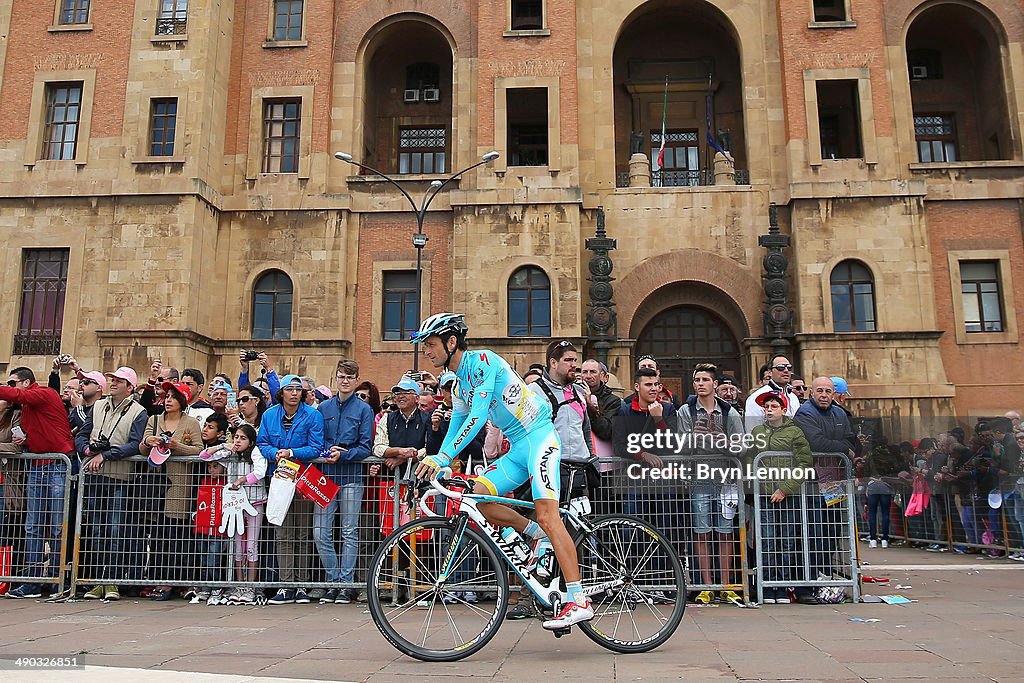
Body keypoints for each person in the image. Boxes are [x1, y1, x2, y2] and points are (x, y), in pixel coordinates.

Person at [413, 313, 594, 629]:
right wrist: (439, 457)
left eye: (430, 344)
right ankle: (535, 534)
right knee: (478, 499)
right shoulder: (457, 384)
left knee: (549, 516)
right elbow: (458, 421)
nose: (427, 352)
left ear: (451, 342)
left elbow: (479, 415)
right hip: (516, 449)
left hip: (539, 439)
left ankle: (578, 600)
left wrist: (442, 458)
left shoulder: (482, 361)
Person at [0, 366, 76, 599]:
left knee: (56, 527)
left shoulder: (44, 394)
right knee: (33, 527)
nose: (10, 388)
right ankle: (33, 582)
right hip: (38, 466)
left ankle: (56, 581)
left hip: (57, 465)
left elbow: (17, 396)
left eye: (12, 383)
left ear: (25, 382)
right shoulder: (27, 406)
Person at [77, 366, 149, 601]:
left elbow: (135, 444)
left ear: (130, 387)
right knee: (98, 531)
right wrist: (88, 449)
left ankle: (113, 581)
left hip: (120, 477)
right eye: (112, 379)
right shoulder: (98, 406)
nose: (114, 383)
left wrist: (106, 455)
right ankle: (99, 580)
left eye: (120, 380)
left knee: (116, 530)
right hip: (96, 476)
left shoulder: (139, 412)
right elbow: (80, 434)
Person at [677, 363, 743, 603]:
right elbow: (679, 445)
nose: (700, 384)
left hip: (725, 478)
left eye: (705, 380)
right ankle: (706, 585)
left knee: (725, 533)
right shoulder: (686, 411)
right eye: (697, 380)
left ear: (715, 384)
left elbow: (742, 445)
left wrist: (723, 440)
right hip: (699, 477)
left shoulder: (729, 413)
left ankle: (725, 584)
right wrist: (694, 438)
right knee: (701, 532)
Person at [258, 374, 325, 606]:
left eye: (298, 389)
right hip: (279, 479)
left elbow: (316, 447)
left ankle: (302, 585)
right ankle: (286, 585)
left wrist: (292, 452)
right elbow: (262, 442)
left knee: (303, 533)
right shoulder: (269, 415)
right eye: (290, 389)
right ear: (282, 393)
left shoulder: (313, 415)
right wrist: (273, 453)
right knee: (282, 531)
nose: (294, 393)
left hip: (304, 479)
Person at [316, 360, 374, 604]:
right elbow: (316, 438)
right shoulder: (323, 408)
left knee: (349, 531)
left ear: (356, 378)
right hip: (325, 475)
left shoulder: (364, 410)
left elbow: (366, 446)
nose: (345, 381)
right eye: (341, 376)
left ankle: (346, 583)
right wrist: (326, 451)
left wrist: (345, 454)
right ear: (335, 378)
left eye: (350, 377)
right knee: (320, 532)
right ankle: (332, 579)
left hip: (351, 474)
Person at [139, 381, 203, 601]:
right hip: (156, 484)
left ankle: (170, 581)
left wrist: (177, 446)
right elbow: (141, 446)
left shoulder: (191, 423)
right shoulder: (154, 420)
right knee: (156, 535)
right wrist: (149, 440)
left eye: (173, 397)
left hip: (179, 485)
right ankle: (157, 579)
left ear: (182, 402)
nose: (168, 401)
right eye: (166, 396)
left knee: (174, 534)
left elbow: (198, 451)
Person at [747, 392, 813, 604]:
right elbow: (750, 459)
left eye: (773, 406)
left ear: (783, 410)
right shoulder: (757, 431)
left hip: (787, 495)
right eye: (766, 406)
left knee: (785, 541)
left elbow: (804, 463)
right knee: (765, 541)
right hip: (764, 494)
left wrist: (785, 488)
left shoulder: (795, 432)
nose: (769, 409)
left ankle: (783, 586)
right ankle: (767, 586)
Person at [214, 423, 268, 605]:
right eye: (236, 437)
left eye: (243, 438)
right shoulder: (229, 453)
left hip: (254, 503)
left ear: (251, 441)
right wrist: (223, 445)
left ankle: (250, 587)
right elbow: (204, 456)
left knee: (251, 545)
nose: (238, 441)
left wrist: (242, 480)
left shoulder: (255, 453)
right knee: (237, 545)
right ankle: (239, 584)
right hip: (234, 505)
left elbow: (260, 472)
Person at [745, 355, 801, 431]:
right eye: (780, 368)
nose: (786, 370)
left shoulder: (793, 397)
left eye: (789, 368)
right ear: (770, 372)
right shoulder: (756, 397)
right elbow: (752, 429)